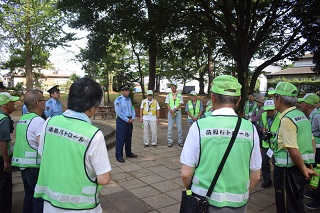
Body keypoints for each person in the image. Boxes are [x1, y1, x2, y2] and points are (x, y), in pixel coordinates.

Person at [180, 75, 261, 212]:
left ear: (212, 97)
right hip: (238, 205)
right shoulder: (250, 128)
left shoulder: (199, 127)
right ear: (239, 99)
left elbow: (186, 173)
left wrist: (191, 189)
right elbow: (256, 175)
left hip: (204, 202)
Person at [34, 77, 112, 212]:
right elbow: (104, 179)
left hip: (51, 204)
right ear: (93, 106)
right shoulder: (93, 134)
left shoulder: (49, 123)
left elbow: (43, 153)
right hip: (82, 207)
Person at [271, 82, 316, 212]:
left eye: (274, 97)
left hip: (288, 171)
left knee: (286, 205)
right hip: (301, 168)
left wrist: (303, 168)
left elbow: (293, 149)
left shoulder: (287, 119)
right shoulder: (302, 116)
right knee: (297, 203)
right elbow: (311, 142)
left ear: (279, 99)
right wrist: (308, 166)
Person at [12, 90, 45, 213]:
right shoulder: (38, 121)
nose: (44, 102)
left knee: (29, 196)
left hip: (23, 166)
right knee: (38, 198)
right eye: (43, 100)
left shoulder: (23, 119)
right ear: (38, 103)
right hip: (34, 167)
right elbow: (43, 145)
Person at [298, 93, 320, 209]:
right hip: (315, 149)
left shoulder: (317, 115)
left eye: (302, 102)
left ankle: (318, 200)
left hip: (319, 150)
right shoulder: (313, 115)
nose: (301, 105)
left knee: (318, 173)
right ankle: (314, 193)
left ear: (306, 104)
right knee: (315, 172)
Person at [0, 92, 19, 213]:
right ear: (6, 105)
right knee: (4, 188)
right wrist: (6, 161)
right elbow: (2, 142)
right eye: (12, 102)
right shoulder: (4, 120)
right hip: (1, 159)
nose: (14, 105)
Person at [114, 84, 137, 163]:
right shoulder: (118, 100)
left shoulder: (129, 100)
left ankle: (128, 152)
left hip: (130, 120)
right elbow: (119, 112)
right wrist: (127, 120)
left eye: (128, 91)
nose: (128, 92)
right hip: (122, 121)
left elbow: (132, 109)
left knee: (128, 137)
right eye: (126, 91)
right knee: (120, 138)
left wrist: (133, 117)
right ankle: (119, 155)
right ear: (122, 91)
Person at [260, 99, 280, 188]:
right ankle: (267, 181)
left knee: (277, 164)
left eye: (271, 110)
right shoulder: (263, 115)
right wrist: (263, 130)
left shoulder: (280, 116)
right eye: (268, 110)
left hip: (276, 145)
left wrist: (273, 133)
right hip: (266, 144)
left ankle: (278, 182)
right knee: (264, 162)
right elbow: (261, 125)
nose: (270, 112)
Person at [165, 81, 184, 147]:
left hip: (178, 111)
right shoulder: (168, 95)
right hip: (170, 112)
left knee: (180, 127)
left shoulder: (179, 95)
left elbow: (180, 104)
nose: (172, 88)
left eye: (173, 86)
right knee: (170, 128)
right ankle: (170, 141)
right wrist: (171, 110)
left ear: (176, 87)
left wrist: (175, 110)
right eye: (171, 86)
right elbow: (167, 104)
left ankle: (180, 141)